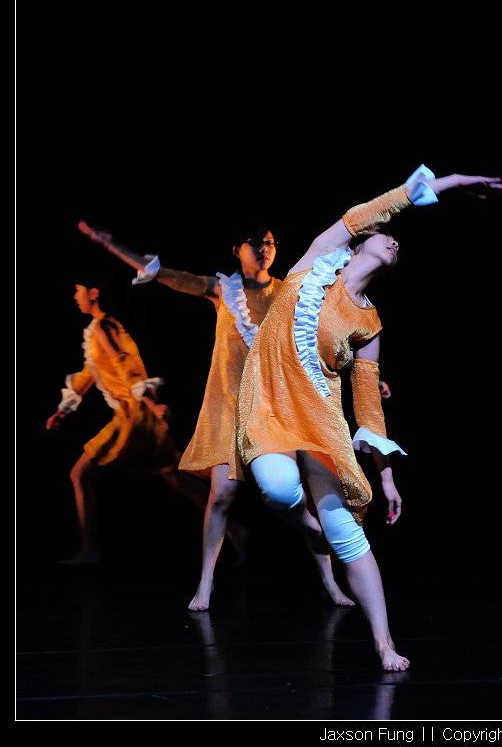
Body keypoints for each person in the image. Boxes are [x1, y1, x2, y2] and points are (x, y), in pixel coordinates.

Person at [236, 167, 502, 670]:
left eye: (397, 245)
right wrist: (450, 182)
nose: (394, 242)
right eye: (387, 237)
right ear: (360, 245)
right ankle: (308, 526)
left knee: (348, 535)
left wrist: (386, 476)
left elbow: (368, 405)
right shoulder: (314, 262)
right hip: (269, 403)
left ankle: (384, 643)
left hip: (320, 421)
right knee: (276, 488)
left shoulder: (369, 323)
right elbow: (375, 209)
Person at [78, 221, 355, 610]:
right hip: (229, 408)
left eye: (270, 242)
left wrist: (362, 373)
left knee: (298, 496)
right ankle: (205, 582)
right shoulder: (223, 290)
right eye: (255, 243)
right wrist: (111, 245)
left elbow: (322, 334)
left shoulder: (288, 292)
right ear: (237, 250)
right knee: (221, 495)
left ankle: (330, 582)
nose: (264, 248)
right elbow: (165, 275)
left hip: (273, 408)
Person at [46, 281, 178, 565]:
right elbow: (89, 374)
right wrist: (62, 411)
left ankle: (90, 549)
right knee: (174, 475)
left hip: (133, 415)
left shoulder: (104, 327)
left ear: (94, 293)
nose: (75, 296)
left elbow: (126, 365)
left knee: (79, 474)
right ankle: (236, 530)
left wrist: (151, 404)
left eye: (78, 290)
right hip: (137, 412)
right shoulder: (99, 329)